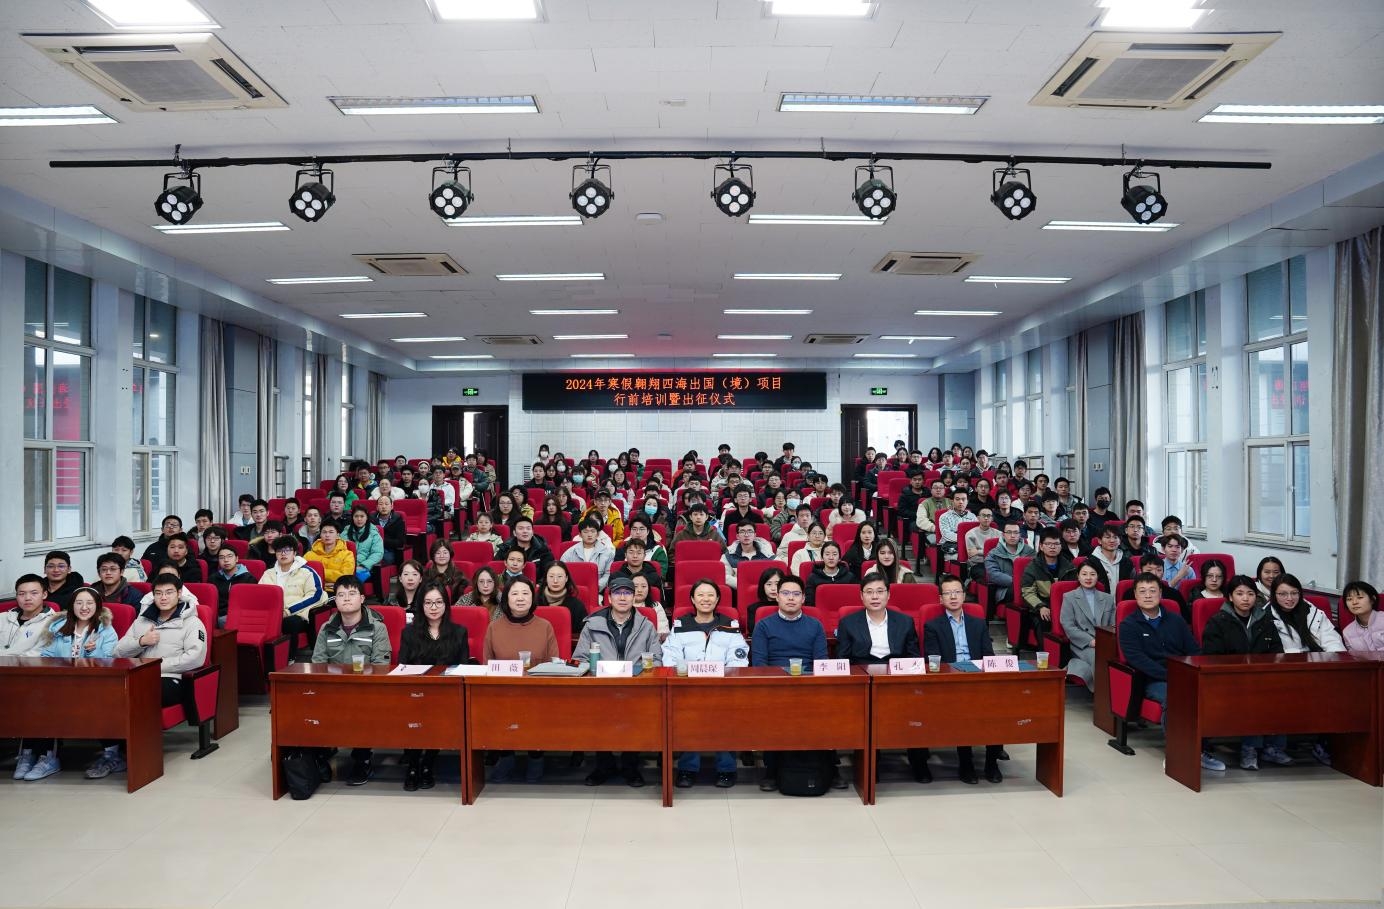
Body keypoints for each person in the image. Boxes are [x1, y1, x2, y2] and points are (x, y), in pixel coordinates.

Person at [89, 575, 207, 780]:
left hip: (171, 679)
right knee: (104, 696)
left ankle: (136, 753)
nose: (163, 597)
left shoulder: (192, 623)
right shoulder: (142, 620)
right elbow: (118, 651)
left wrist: (152, 666)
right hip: (138, 676)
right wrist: (141, 641)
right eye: (158, 593)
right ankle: (112, 752)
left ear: (179, 594)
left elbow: (195, 658)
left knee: (138, 696)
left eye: (169, 592)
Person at [1117, 576, 1224, 771]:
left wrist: (1194, 673)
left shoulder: (1176, 620)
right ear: (1135, 596)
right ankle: (1177, 753)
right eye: (1142, 591)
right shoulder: (1128, 625)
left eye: (1152, 591)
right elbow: (1138, 660)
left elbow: (1193, 650)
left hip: (1183, 674)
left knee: (1207, 694)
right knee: (1175, 697)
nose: (1148, 595)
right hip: (1152, 679)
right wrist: (1172, 676)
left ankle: (1200, 751)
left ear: (1160, 593)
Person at [573, 577, 662, 787]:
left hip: (636, 688)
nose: (623, 597)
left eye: (628, 593)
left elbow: (657, 660)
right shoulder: (592, 624)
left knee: (637, 715)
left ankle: (631, 767)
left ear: (634, 597)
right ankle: (604, 766)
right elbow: (580, 659)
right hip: (601, 688)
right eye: (618, 593)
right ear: (610, 597)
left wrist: (639, 676)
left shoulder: (646, 626)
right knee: (597, 714)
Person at [749, 574, 834, 791]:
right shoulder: (763, 625)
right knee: (775, 711)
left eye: (796, 594)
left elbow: (821, 662)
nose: (790, 598)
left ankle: (829, 767)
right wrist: (779, 684)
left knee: (829, 708)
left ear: (803, 598)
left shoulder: (815, 625)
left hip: (809, 686)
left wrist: (807, 684)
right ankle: (771, 769)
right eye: (785, 593)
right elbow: (759, 664)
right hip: (774, 686)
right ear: (777, 596)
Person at [664, 580, 749, 788]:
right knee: (688, 718)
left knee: (725, 717)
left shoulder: (730, 626)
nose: (706, 599)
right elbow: (670, 657)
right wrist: (686, 677)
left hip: (722, 688)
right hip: (687, 688)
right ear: (692, 599)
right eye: (700, 595)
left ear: (717, 599)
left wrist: (721, 680)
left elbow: (739, 658)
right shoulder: (681, 625)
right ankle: (687, 769)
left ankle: (726, 769)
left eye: (710, 595)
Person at [1200, 575, 1288, 771]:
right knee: (1253, 696)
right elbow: (1211, 657)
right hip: (1228, 679)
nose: (1246, 598)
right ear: (1231, 597)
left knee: (1281, 691)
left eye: (1250, 594)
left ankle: (1274, 747)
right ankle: (1250, 749)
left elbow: (1277, 651)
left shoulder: (1264, 620)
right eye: (1240, 594)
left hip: (1261, 677)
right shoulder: (1218, 621)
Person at [922, 577, 1005, 784]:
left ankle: (991, 762)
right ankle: (966, 763)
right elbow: (933, 661)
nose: (953, 596)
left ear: (964, 596)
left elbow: (988, 655)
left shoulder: (978, 624)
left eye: (957, 592)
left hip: (978, 678)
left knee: (998, 704)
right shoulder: (932, 626)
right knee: (964, 707)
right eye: (948, 593)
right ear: (941, 599)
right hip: (950, 681)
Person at [311, 576, 391, 785]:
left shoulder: (377, 628)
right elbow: (318, 664)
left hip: (367, 689)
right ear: (335, 600)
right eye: (341, 595)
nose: (346, 599)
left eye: (352, 594)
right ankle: (318, 756)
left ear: (362, 598)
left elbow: (381, 666)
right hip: (332, 688)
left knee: (362, 705)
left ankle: (362, 759)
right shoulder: (326, 628)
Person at [396, 583, 470, 790]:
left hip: (446, 695)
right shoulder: (409, 633)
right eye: (428, 603)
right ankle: (413, 765)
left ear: (446, 604)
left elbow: (463, 667)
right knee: (413, 712)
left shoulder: (459, 632)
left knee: (437, 713)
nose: (434, 607)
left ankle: (428, 762)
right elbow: (403, 665)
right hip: (415, 693)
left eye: (438, 602)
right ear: (421, 605)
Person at [261, 535, 326, 651]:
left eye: (287, 550)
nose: (283, 554)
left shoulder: (307, 572)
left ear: (295, 552)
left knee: (289, 623)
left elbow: (315, 595)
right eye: (279, 550)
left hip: (298, 614)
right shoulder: (268, 573)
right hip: (273, 613)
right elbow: (260, 595)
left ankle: (289, 657)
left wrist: (288, 611)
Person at [1059, 563, 1116, 688]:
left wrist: (1105, 641)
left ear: (1098, 576)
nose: (1088, 578)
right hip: (1082, 645)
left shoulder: (1108, 598)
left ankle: (1116, 692)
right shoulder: (1069, 597)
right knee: (1098, 657)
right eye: (1084, 574)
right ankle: (1101, 694)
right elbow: (1068, 625)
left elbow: (1113, 625)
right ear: (1078, 576)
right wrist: (1091, 641)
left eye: (1092, 574)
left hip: (1105, 642)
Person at [1018, 530, 1074, 653]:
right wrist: (1040, 607)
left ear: (1061, 546)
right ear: (1041, 547)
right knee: (1043, 620)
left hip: (1065, 606)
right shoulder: (1032, 567)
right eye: (1048, 544)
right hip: (1043, 606)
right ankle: (1046, 656)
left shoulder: (1069, 567)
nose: (1052, 547)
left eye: (1056, 544)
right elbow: (1027, 592)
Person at [2, 573, 58, 655]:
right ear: (16, 596)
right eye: (21, 594)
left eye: (34, 593)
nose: (27, 598)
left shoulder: (53, 624)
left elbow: (38, 655)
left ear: (44, 595)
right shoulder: (2, 618)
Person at [984, 522, 1034, 607]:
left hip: (1030, 586)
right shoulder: (993, 553)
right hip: (1006, 589)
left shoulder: (1029, 551)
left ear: (1020, 535)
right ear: (1003, 535)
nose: (1012, 536)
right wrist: (1016, 582)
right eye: (1009, 532)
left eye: (1015, 532)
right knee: (1020, 592)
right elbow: (993, 574)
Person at [562, 516, 616, 592]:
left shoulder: (607, 553)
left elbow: (608, 574)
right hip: (573, 590)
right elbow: (562, 572)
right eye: (585, 532)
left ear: (597, 534)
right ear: (580, 535)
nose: (589, 535)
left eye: (593, 531)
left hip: (598, 591)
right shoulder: (570, 552)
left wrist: (595, 587)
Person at [721, 518, 773, 586]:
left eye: (750, 531)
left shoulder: (767, 553)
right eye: (742, 531)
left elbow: (779, 570)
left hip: (764, 590)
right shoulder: (729, 555)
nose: (746, 535)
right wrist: (744, 585)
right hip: (738, 590)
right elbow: (724, 576)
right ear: (737, 536)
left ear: (755, 535)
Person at [209, 548, 254, 623]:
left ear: (236, 559)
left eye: (229, 556)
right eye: (222, 557)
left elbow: (250, 604)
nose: (226, 560)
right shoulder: (213, 578)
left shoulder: (249, 579)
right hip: (221, 615)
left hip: (242, 615)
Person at [538, 561, 587, 630]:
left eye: (560, 576)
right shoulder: (535, 602)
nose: (555, 581)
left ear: (566, 578)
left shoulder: (576, 605)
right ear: (546, 578)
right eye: (551, 576)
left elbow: (582, 632)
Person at [308, 523, 355, 594]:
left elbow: (345, 576)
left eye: (331, 532)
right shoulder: (309, 555)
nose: (327, 535)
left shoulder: (347, 554)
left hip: (337, 591)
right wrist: (324, 583)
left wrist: (320, 574)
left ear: (337, 535)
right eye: (324, 532)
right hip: (313, 590)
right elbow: (304, 575)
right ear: (320, 535)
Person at [805, 541, 857, 605]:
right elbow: (809, 603)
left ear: (839, 558)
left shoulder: (850, 577)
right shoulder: (813, 578)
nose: (831, 558)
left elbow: (854, 601)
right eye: (827, 554)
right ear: (822, 557)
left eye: (834, 554)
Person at [343, 505, 383, 586]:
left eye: (362, 516)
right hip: (346, 566)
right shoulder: (345, 532)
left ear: (367, 517)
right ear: (352, 518)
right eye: (356, 516)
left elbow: (377, 553)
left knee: (351, 582)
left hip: (364, 568)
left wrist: (364, 565)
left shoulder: (373, 533)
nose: (359, 519)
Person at [1342, 581, 1383, 653]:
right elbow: (1353, 657)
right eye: (1349, 599)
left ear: (1372, 599)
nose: (1354, 602)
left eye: (1360, 597)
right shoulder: (1347, 632)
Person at [422, 538, 466, 604]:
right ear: (433, 555)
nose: (442, 556)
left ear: (450, 554)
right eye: (438, 553)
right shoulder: (425, 575)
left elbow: (462, 600)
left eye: (445, 553)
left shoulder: (459, 576)